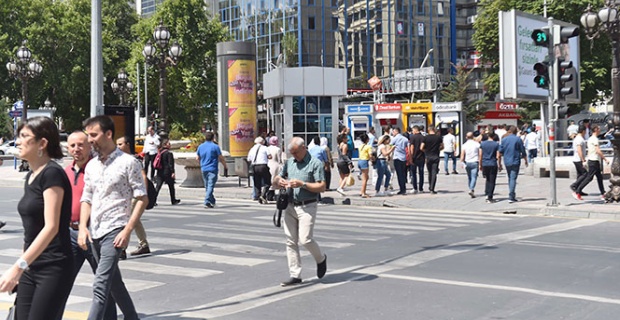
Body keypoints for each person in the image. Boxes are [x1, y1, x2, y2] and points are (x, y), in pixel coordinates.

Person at [0, 117, 73, 319]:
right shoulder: (31, 176)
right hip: (31, 266)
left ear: (42, 143)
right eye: (19, 136)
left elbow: (51, 227)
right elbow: (31, 230)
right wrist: (23, 266)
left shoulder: (52, 174)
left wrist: (17, 268)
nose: (18, 141)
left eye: (24, 136)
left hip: (54, 266)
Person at [78, 115, 146, 320]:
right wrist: (83, 226)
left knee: (100, 284)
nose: (90, 140)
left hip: (116, 229)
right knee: (114, 283)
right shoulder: (91, 166)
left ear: (108, 134)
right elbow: (86, 198)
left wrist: (127, 230)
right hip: (95, 230)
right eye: (88, 135)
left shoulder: (128, 162)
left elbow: (142, 197)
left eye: (94, 135)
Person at [62, 130, 119, 320]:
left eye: (81, 145)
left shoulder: (98, 169)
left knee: (105, 284)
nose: (76, 149)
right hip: (70, 233)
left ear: (89, 146)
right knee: (61, 281)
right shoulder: (65, 172)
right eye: (72, 146)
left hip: (96, 234)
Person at [273, 137, 327, 286]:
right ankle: (295, 274)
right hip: (290, 204)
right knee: (290, 241)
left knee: (305, 239)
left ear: (304, 148)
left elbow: (322, 186)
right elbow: (277, 178)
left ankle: (321, 259)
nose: (294, 156)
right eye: (292, 153)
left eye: (296, 153)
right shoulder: (290, 162)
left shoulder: (315, 163)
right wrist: (279, 181)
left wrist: (302, 184)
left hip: (307, 205)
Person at [117, 136, 152, 257]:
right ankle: (144, 245)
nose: (118, 147)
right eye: (117, 144)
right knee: (134, 220)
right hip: (124, 195)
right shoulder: (118, 159)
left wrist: (143, 194)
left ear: (127, 144)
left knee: (127, 219)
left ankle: (122, 248)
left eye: (120, 144)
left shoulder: (134, 159)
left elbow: (143, 176)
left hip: (134, 195)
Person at [573, 124, 609, 201]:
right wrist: (605, 159)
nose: (600, 130)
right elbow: (598, 150)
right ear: (595, 129)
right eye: (599, 129)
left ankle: (603, 193)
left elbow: (590, 151)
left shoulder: (590, 139)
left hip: (592, 160)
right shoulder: (594, 139)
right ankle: (577, 191)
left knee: (599, 177)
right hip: (594, 161)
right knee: (589, 177)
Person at [197, 131, 228, 208]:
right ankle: (207, 200)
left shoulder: (200, 146)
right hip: (212, 168)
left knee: (207, 186)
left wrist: (202, 163)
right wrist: (225, 166)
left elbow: (197, 158)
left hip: (204, 168)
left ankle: (212, 201)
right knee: (210, 185)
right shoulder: (215, 147)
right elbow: (221, 158)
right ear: (213, 138)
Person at [499, 126, 528, 203]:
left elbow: (500, 150)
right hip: (515, 160)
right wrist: (525, 160)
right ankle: (511, 196)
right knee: (513, 178)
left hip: (507, 161)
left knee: (510, 177)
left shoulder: (504, 140)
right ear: (515, 132)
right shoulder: (518, 139)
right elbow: (523, 151)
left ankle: (512, 194)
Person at [152, 139, 181, 206]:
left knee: (158, 187)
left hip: (160, 172)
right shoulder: (169, 153)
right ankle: (173, 200)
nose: (170, 145)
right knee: (171, 186)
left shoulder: (160, 152)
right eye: (169, 144)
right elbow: (171, 164)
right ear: (165, 145)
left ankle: (153, 201)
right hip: (167, 172)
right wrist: (173, 172)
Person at [247, 137, 271, 203]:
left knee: (257, 182)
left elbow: (248, 159)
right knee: (268, 182)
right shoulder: (265, 148)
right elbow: (269, 156)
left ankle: (258, 195)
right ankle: (263, 195)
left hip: (255, 166)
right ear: (262, 142)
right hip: (263, 166)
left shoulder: (252, 149)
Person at [479, 132, 501, 203]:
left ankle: (486, 192)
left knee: (487, 179)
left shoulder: (482, 144)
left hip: (485, 163)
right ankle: (490, 196)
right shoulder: (496, 144)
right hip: (493, 163)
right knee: (492, 180)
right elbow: (498, 155)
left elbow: (480, 155)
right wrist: (499, 164)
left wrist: (480, 164)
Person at [421, 127, 442, 194]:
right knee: (434, 172)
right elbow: (442, 146)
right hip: (435, 156)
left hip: (428, 157)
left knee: (429, 172)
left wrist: (426, 151)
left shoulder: (425, 138)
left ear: (429, 130)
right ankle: (432, 188)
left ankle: (430, 186)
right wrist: (437, 150)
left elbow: (421, 147)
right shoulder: (438, 137)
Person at [569, 125, 589, 197]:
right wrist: (583, 159)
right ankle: (574, 185)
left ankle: (578, 190)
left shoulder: (578, 138)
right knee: (585, 174)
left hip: (577, 159)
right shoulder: (579, 139)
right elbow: (579, 150)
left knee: (580, 174)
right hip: (578, 159)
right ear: (583, 131)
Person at [460, 132, 480, 198]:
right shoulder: (477, 144)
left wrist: (461, 162)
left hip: (467, 162)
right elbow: (480, 154)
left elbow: (462, 155)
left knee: (469, 177)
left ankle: (470, 189)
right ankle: (471, 189)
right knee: (474, 177)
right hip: (475, 162)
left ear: (466, 137)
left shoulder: (464, 145)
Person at [408, 126, 425, 194]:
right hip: (421, 157)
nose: (412, 131)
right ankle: (421, 188)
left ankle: (415, 188)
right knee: (421, 173)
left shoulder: (412, 137)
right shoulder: (423, 137)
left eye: (412, 130)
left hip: (414, 158)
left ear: (415, 130)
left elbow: (412, 148)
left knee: (413, 173)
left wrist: (411, 158)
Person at [267, 136, 284, 200]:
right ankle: (275, 195)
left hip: (268, 164)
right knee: (275, 180)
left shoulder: (267, 148)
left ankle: (269, 195)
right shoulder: (278, 149)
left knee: (270, 180)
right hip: (275, 165)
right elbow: (279, 160)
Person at [357, 134, 372, 198]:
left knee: (366, 177)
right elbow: (370, 155)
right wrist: (372, 160)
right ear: (367, 139)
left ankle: (362, 191)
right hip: (364, 161)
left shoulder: (360, 146)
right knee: (365, 179)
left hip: (359, 161)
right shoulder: (368, 147)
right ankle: (363, 193)